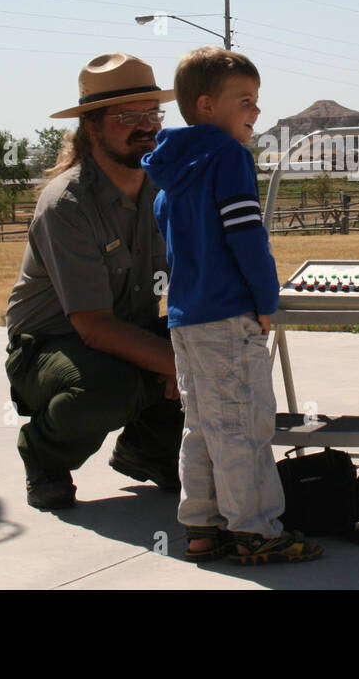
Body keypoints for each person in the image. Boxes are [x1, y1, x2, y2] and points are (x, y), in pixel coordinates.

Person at [142, 47, 323, 564]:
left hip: (186, 320)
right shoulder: (229, 158)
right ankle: (256, 530)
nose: (256, 112)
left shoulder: (171, 174)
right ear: (205, 106)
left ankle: (202, 526)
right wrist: (267, 299)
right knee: (244, 425)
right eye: (245, 100)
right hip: (228, 316)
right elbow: (246, 235)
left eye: (257, 100)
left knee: (202, 425)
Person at [4, 53, 183, 510]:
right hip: (49, 347)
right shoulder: (67, 203)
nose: (146, 126)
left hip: (125, 337)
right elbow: (92, 326)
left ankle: (146, 450)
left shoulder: (164, 191)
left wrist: (205, 346)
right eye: (128, 117)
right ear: (92, 127)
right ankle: (44, 456)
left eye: (153, 113)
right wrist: (177, 366)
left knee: (225, 345)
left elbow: (190, 281)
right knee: (109, 386)